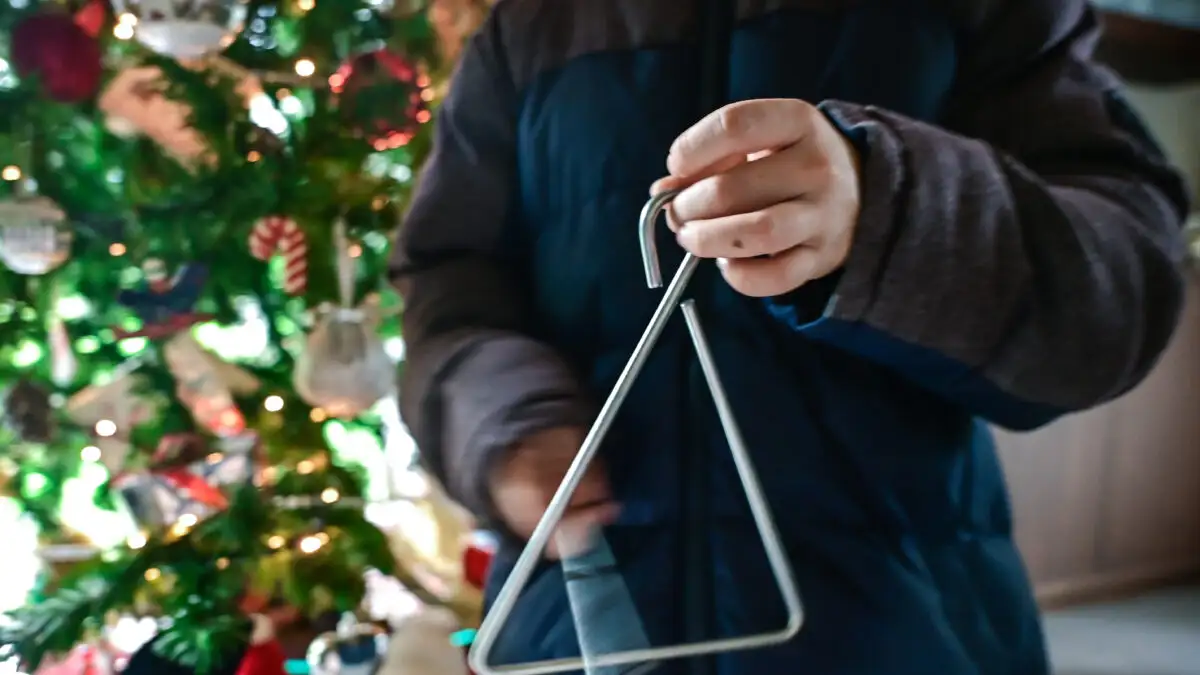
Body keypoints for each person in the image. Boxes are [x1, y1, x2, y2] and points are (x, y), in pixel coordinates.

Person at [389, 0, 1191, 673]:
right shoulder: (534, 24)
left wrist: (892, 213)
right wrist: (505, 419)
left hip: (900, 626)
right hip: (579, 623)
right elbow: (446, 281)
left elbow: (1121, 294)